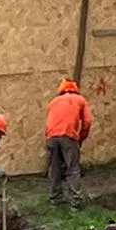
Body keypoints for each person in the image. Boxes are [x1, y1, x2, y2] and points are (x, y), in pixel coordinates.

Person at [45, 78, 93, 208]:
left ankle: (55, 199)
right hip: (68, 135)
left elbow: (48, 122)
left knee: (54, 169)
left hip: (51, 136)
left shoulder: (53, 102)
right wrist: (81, 138)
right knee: (72, 168)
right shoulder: (80, 100)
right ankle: (75, 202)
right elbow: (87, 121)